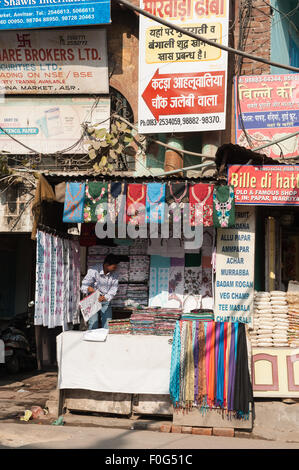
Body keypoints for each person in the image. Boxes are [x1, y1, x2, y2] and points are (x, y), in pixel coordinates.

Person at [81, 253, 119, 330]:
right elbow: (83, 286)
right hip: (93, 299)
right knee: (93, 322)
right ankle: (92, 340)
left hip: (105, 300)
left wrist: (105, 297)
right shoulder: (94, 271)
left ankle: (106, 341)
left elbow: (114, 289)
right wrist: (89, 288)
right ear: (106, 265)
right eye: (113, 267)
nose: (115, 269)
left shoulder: (114, 274)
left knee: (107, 324)